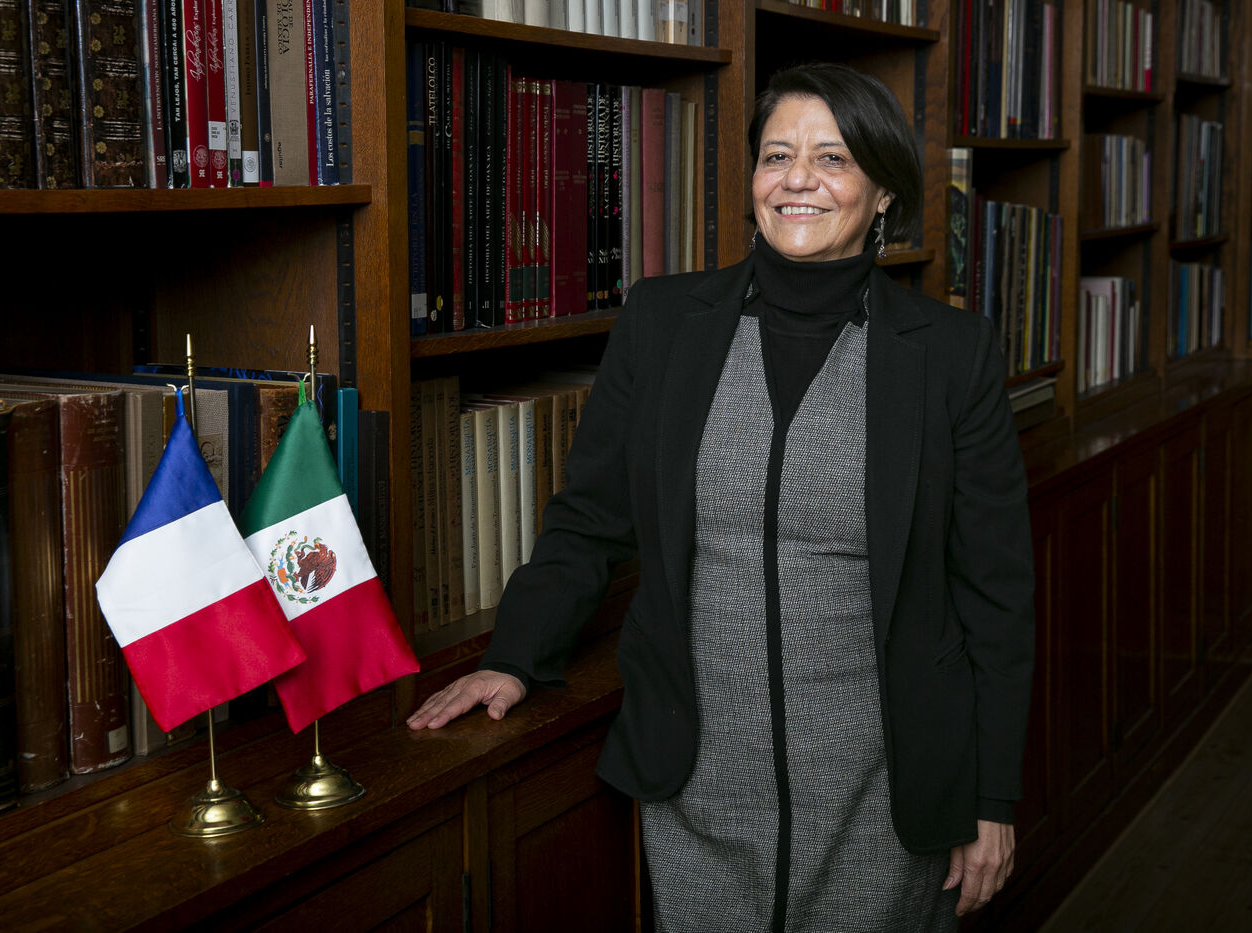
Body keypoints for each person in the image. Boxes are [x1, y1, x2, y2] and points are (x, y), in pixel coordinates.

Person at [408, 62, 1035, 932]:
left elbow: (996, 594)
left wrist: (993, 796)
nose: (798, 179)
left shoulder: (952, 355)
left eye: (833, 158)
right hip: (698, 785)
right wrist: (514, 655)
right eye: (777, 155)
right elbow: (590, 516)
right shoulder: (664, 323)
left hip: (885, 791)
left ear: (884, 190)